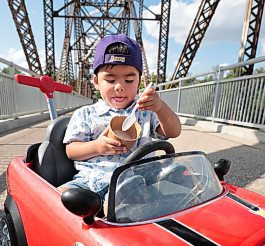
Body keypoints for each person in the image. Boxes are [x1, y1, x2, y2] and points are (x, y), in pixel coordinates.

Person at [58, 33, 181, 202]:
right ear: (96, 81)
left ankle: (114, 204)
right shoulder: (85, 114)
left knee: (132, 195)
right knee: (58, 197)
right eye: (110, 80)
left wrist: (160, 108)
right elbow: (71, 151)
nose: (120, 87)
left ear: (139, 82)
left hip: (136, 181)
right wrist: (97, 147)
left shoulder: (145, 112)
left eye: (129, 80)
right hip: (90, 180)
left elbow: (174, 131)